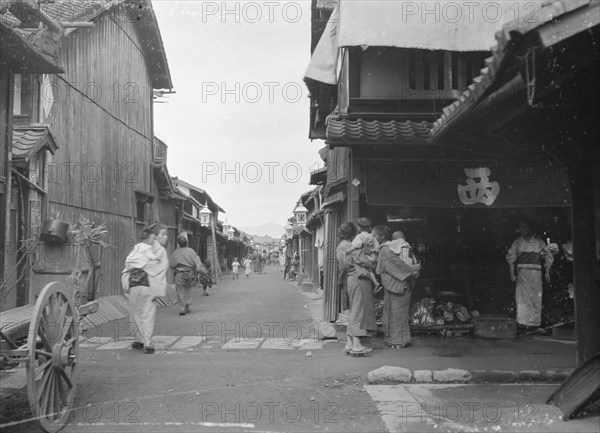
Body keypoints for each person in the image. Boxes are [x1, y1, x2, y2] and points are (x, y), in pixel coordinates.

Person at [123, 225, 169, 354]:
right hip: (148, 285)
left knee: (135, 312)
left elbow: (129, 263)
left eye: (166, 235)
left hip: (134, 283)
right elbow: (159, 270)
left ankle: (140, 339)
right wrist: (158, 290)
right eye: (163, 234)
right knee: (147, 313)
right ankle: (147, 342)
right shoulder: (159, 250)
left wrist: (137, 267)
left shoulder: (139, 247)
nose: (165, 237)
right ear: (155, 236)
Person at [375, 226, 421, 349]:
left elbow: (384, 268)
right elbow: (413, 266)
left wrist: (410, 270)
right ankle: (399, 341)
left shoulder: (386, 249)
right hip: (404, 284)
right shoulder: (406, 248)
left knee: (391, 313)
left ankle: (393, 340)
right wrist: (412, 271)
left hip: (391, 284)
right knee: (399, 315)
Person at [506, 219, 554, 332]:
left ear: (529, 228)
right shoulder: (517, 242)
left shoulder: (538, 242)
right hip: (523, 273)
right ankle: (522, 323)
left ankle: (534, 324)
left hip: (535, 273)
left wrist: (547, 271)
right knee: (522, 298)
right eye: (520, 227)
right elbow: (511, 258)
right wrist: (512, 274)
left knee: (535, 298)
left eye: (524, 227)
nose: (522, 230)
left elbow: (548, 255)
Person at [341, 219, 378, 356]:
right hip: (358, 278)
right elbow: (362, 260)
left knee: (353, 311)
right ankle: (356, 345)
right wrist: (371, 263)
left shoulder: (341, 245)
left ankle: (349, 343)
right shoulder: (352, 246)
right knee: (358, 310)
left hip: (350, 277)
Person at [169, 235, 206, 316]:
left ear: (178, 243)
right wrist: (202, 272)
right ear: (187, 243)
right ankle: (187, 307)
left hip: (179, 273)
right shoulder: (191, 251)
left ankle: (182, 308)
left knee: (180, 290)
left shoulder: (175, 252)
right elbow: (198, 264)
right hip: (190, 273)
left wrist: (176, 270)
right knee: (188, 289)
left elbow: (171, 265)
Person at [336, 222, 357, 349]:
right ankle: (353, 340)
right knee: (354, 309)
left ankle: (349, 340)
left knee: (348, 308)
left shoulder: (340, 245)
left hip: (344, 276)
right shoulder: (350, 246)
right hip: (351, 275)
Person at [348, 218, 382, 292]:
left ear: (358, 227)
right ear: (370, 228)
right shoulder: (372, 237)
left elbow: (357, 245)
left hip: (365, 256)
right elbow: (377, 247)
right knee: (370, 270)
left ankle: (375, 283)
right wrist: (373, 252)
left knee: (366, 269)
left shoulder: (359, 237)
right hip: (372, 256)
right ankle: (376, 283)